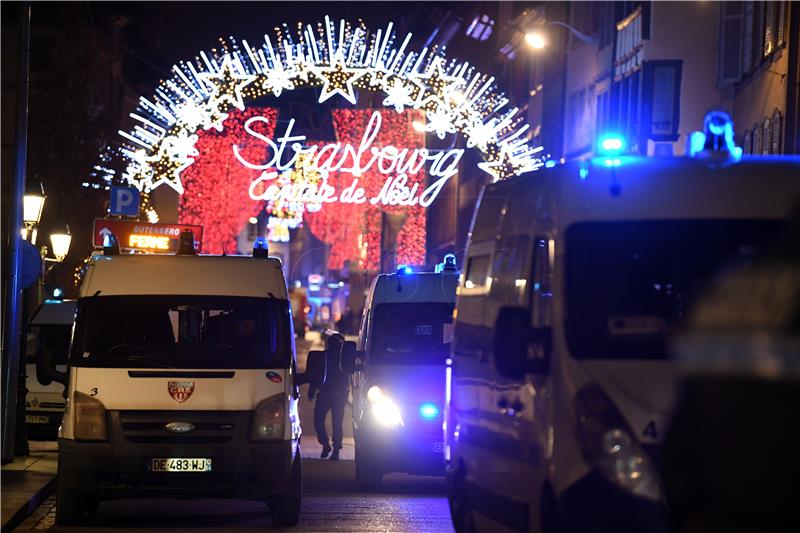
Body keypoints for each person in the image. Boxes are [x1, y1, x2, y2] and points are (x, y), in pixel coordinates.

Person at [309, 332, 348, 460]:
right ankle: (335, 449)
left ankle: (327, 445)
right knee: (337, 423)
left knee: (319, 420)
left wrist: (311, 391)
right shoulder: (345, 359)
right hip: (339, 394)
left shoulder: (323, 356)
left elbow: (315, 375)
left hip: (325, 393)